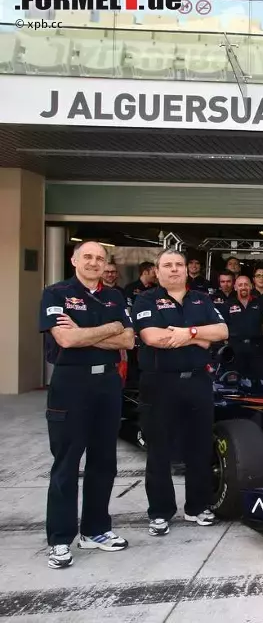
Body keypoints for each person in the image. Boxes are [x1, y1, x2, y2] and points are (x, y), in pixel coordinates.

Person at [39, 241, 135, 569]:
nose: (94, 263)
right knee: (67, 463)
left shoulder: (114, 296)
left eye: (99, 258)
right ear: (75, 260)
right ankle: (61, 539)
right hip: (71, 383)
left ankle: (95, 531)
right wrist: (110, 329)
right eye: (88, 257)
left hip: (107, 383)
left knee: (104, 460)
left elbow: (128, 339)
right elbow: (65, 339)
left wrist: (88, 333)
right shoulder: (56, 293)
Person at [132, 249, 229, 537]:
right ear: (158, 271)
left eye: (179, 265)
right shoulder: (145, 299)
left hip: (198, 382)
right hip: (159, 383)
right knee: (159, 449)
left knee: (199, 447)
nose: (174, 270)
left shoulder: (202, 299)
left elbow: (222, 330)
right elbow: (152, 337)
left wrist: (189, 334)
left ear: (187, 270)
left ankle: (197, 507)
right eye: (167, 265)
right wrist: (201, 337)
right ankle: (160, 512)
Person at [224, 275, 263, 386]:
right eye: (240, 285)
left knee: (259, 383)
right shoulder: (228, 304)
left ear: (251, 286)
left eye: (246, 284)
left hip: (256, 347)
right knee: (235, 382)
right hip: (235, 349)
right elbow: (223, 325)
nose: (243, 287)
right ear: (235, 287)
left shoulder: (260, 303)